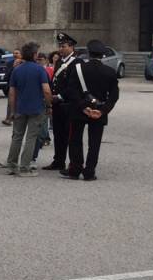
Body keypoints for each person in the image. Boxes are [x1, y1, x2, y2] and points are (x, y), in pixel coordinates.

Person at [66, 39, 120, 181]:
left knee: (75, 140)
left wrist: (83, 106)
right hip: (99, 109)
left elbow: (72, 90)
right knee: (94, 143)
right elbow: (114, 95)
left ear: (88, 54)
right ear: (103, 55)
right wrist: (103, 111)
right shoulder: (110, 72)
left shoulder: (78, 69)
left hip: (79, 109)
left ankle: (75, 169)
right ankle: (89, 171)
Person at [1, 42, 52, 177]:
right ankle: (24, 167)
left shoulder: (17, 70)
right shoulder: (40, 69)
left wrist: (12, 110)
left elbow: (12, 93)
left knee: (17, 136)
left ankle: (11, 164)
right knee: (31, 137)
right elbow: (46, 91)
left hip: (20, 108)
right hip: (36, 108)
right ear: (35, 55)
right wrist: (49, 105)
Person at [43, 32, 84, 174]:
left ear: (71, 47)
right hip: (57, 103)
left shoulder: (77, 62)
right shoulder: (60, 62)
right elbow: (55, 81)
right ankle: (58, 160)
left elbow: (74, 85)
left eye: (64, 46)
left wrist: (60, 96)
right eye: (60, 46)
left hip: (68, 103)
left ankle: (72, 163)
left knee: (69, 135)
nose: (61, 49)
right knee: (58, 133)